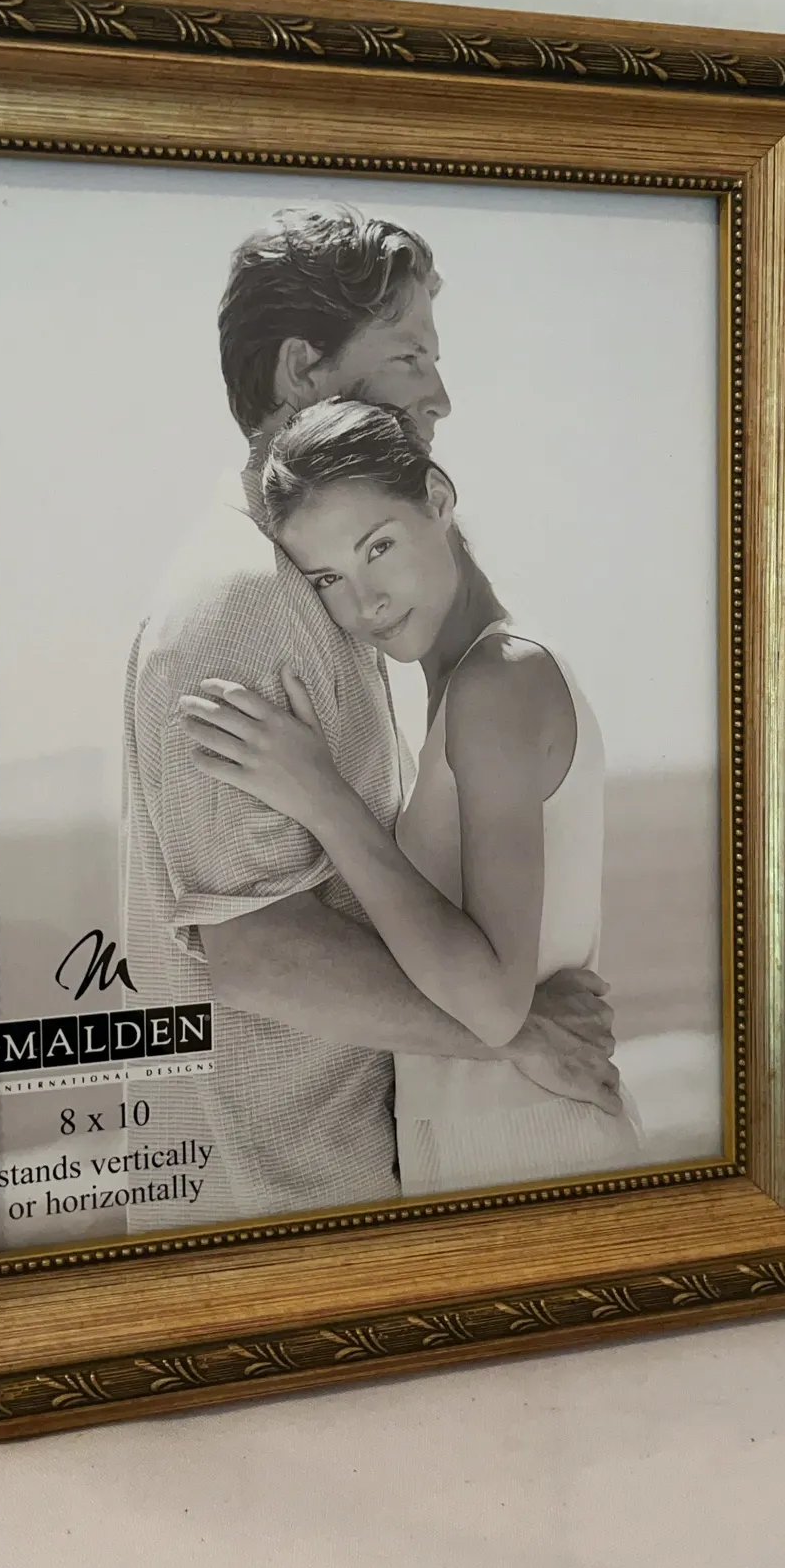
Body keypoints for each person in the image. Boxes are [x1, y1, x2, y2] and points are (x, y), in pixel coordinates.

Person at [120, 204, 620, 1230]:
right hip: (279, 1197)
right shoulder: (247, 599)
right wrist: (516, 1030)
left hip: (349, 1173)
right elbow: (255, 949)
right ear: (303, 370)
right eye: (407, 356)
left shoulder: (318, 590)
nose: (440, 394)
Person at [180, 396, 641, 1194]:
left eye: (379, 547)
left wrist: (323, 797)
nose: (367, 602)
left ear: (437, 496)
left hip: (533, 1144)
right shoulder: (462, 690)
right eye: (329, 578)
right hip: (481, 1137)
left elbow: (494, 1005)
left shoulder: (500, 682)